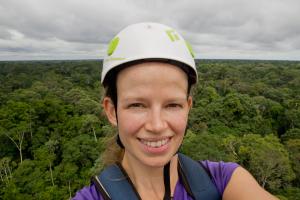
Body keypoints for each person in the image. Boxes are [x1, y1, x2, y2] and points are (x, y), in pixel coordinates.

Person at [73, 22, 278, 200]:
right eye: (137, 105)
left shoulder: (222, 180)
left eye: (172, 105)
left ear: (188, 107)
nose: (157, 125)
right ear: (111, 111)